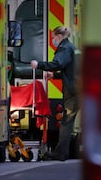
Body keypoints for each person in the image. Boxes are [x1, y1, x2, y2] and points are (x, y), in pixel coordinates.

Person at [30, 26, 78, 161]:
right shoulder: (71, 47)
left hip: (73, 91)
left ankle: (61, 153)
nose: (52, 40)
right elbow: (69, 69)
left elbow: (57, 63)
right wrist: (55, 75)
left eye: (53, 37)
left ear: (59, 36)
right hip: (77, 88)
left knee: (66, 121)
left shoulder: (65, 48)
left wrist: (38, 64)